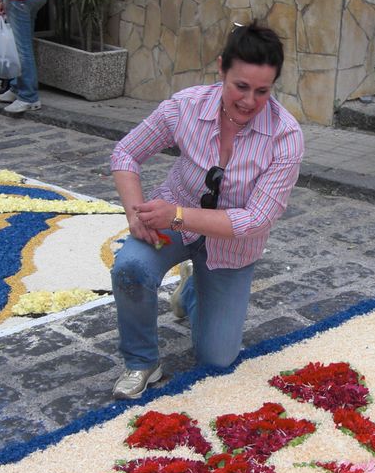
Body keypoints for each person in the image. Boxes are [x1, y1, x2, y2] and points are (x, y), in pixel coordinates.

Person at [109, 22, 304, 401]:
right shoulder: (186, 105)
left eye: (262, 91)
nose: (249, 101)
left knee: (217, 359)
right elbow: (126, 153)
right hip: (172, 221)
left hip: (230, 244)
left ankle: (191, 292)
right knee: (130, 268)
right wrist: (135, 213)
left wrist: (176, 215)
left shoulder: (286, 136)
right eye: (240, 86)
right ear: (221, 69)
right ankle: (141, 361)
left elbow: (256, 219)